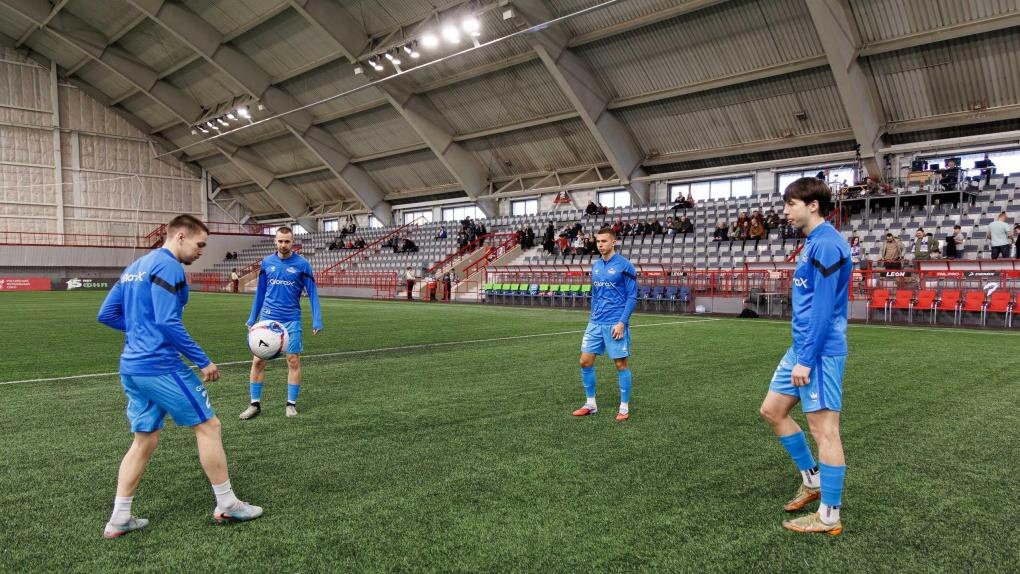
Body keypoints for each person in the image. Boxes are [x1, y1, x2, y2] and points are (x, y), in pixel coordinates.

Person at [97, 215, 262, 539]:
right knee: (209, 426)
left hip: (131, 367)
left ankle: (119, 517)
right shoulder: (169, 266)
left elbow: (107, 314)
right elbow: (168, 321)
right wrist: (203, 360)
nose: (201, 251)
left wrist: (140, 329)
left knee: (144, 439)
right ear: (181, 236)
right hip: (160, 366)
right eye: (200, 244)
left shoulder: (134, 268)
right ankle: (227, 503)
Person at [759, 177, 851, 536]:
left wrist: (807, 359)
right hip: (801, 347)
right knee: (772, 410)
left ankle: (829, 516)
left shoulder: (827, 244)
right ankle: (812, 481)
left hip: (819, 352)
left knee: (824, 430)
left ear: (813, 205)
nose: (785, 211)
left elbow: (824, 309)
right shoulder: (813, 242)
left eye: (791, 204)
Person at [241, 227, 323, 420]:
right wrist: (252, 318)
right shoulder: (267, 262)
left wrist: (317, 319)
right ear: (275, 241)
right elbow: (260, 292)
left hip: (291, 319)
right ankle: (254, 404)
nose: (283, 245)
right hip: (268, 319)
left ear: (292, 242)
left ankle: (291, 404)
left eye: (287, 241)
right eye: (280, 241)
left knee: (293, 360)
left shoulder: (303, 265)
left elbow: (312, 293)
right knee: (258, 360)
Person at [572, 227, 638, 422]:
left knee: (620, 364)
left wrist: (622, 323)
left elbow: (632, 296)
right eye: (598, 241)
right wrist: (592, 316)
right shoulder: (596, 266)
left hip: (615, 323)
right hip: (595, 322)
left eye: (604, 241)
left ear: (613, 242)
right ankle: (590, 404)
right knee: (584, 361)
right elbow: (595, 294)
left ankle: (624, 408)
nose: (600, 245)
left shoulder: (625, 266)